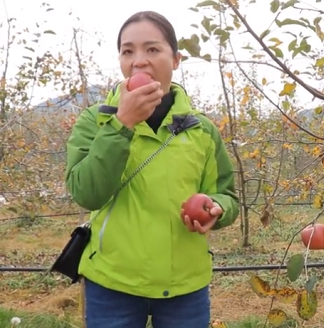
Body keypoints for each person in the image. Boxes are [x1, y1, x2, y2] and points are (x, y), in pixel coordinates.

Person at [64, 11, 240, 328]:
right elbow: (86, 193)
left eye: (153, 49)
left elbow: (225, 195)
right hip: (112, 282)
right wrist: (122, 124)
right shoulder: (97, 120)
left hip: (185, 286)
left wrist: (217, 209)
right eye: (128, 51)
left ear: (176, 59)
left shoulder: (201, 130)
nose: (139, 60)